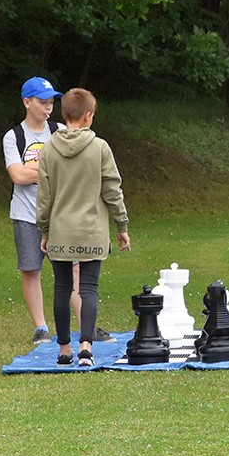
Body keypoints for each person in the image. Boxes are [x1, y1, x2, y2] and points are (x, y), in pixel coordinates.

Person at [36, 88, 131, 367]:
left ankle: (64, 349)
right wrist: (122, 224)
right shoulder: (100, 147)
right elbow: (112, 190)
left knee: (62, 288)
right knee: (89, 288)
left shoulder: (48, 149)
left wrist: (44, 230)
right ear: (88, 116)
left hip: (60, 230)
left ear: (64, 113)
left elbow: (44, 196)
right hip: (91, 231)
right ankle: (86, 347)